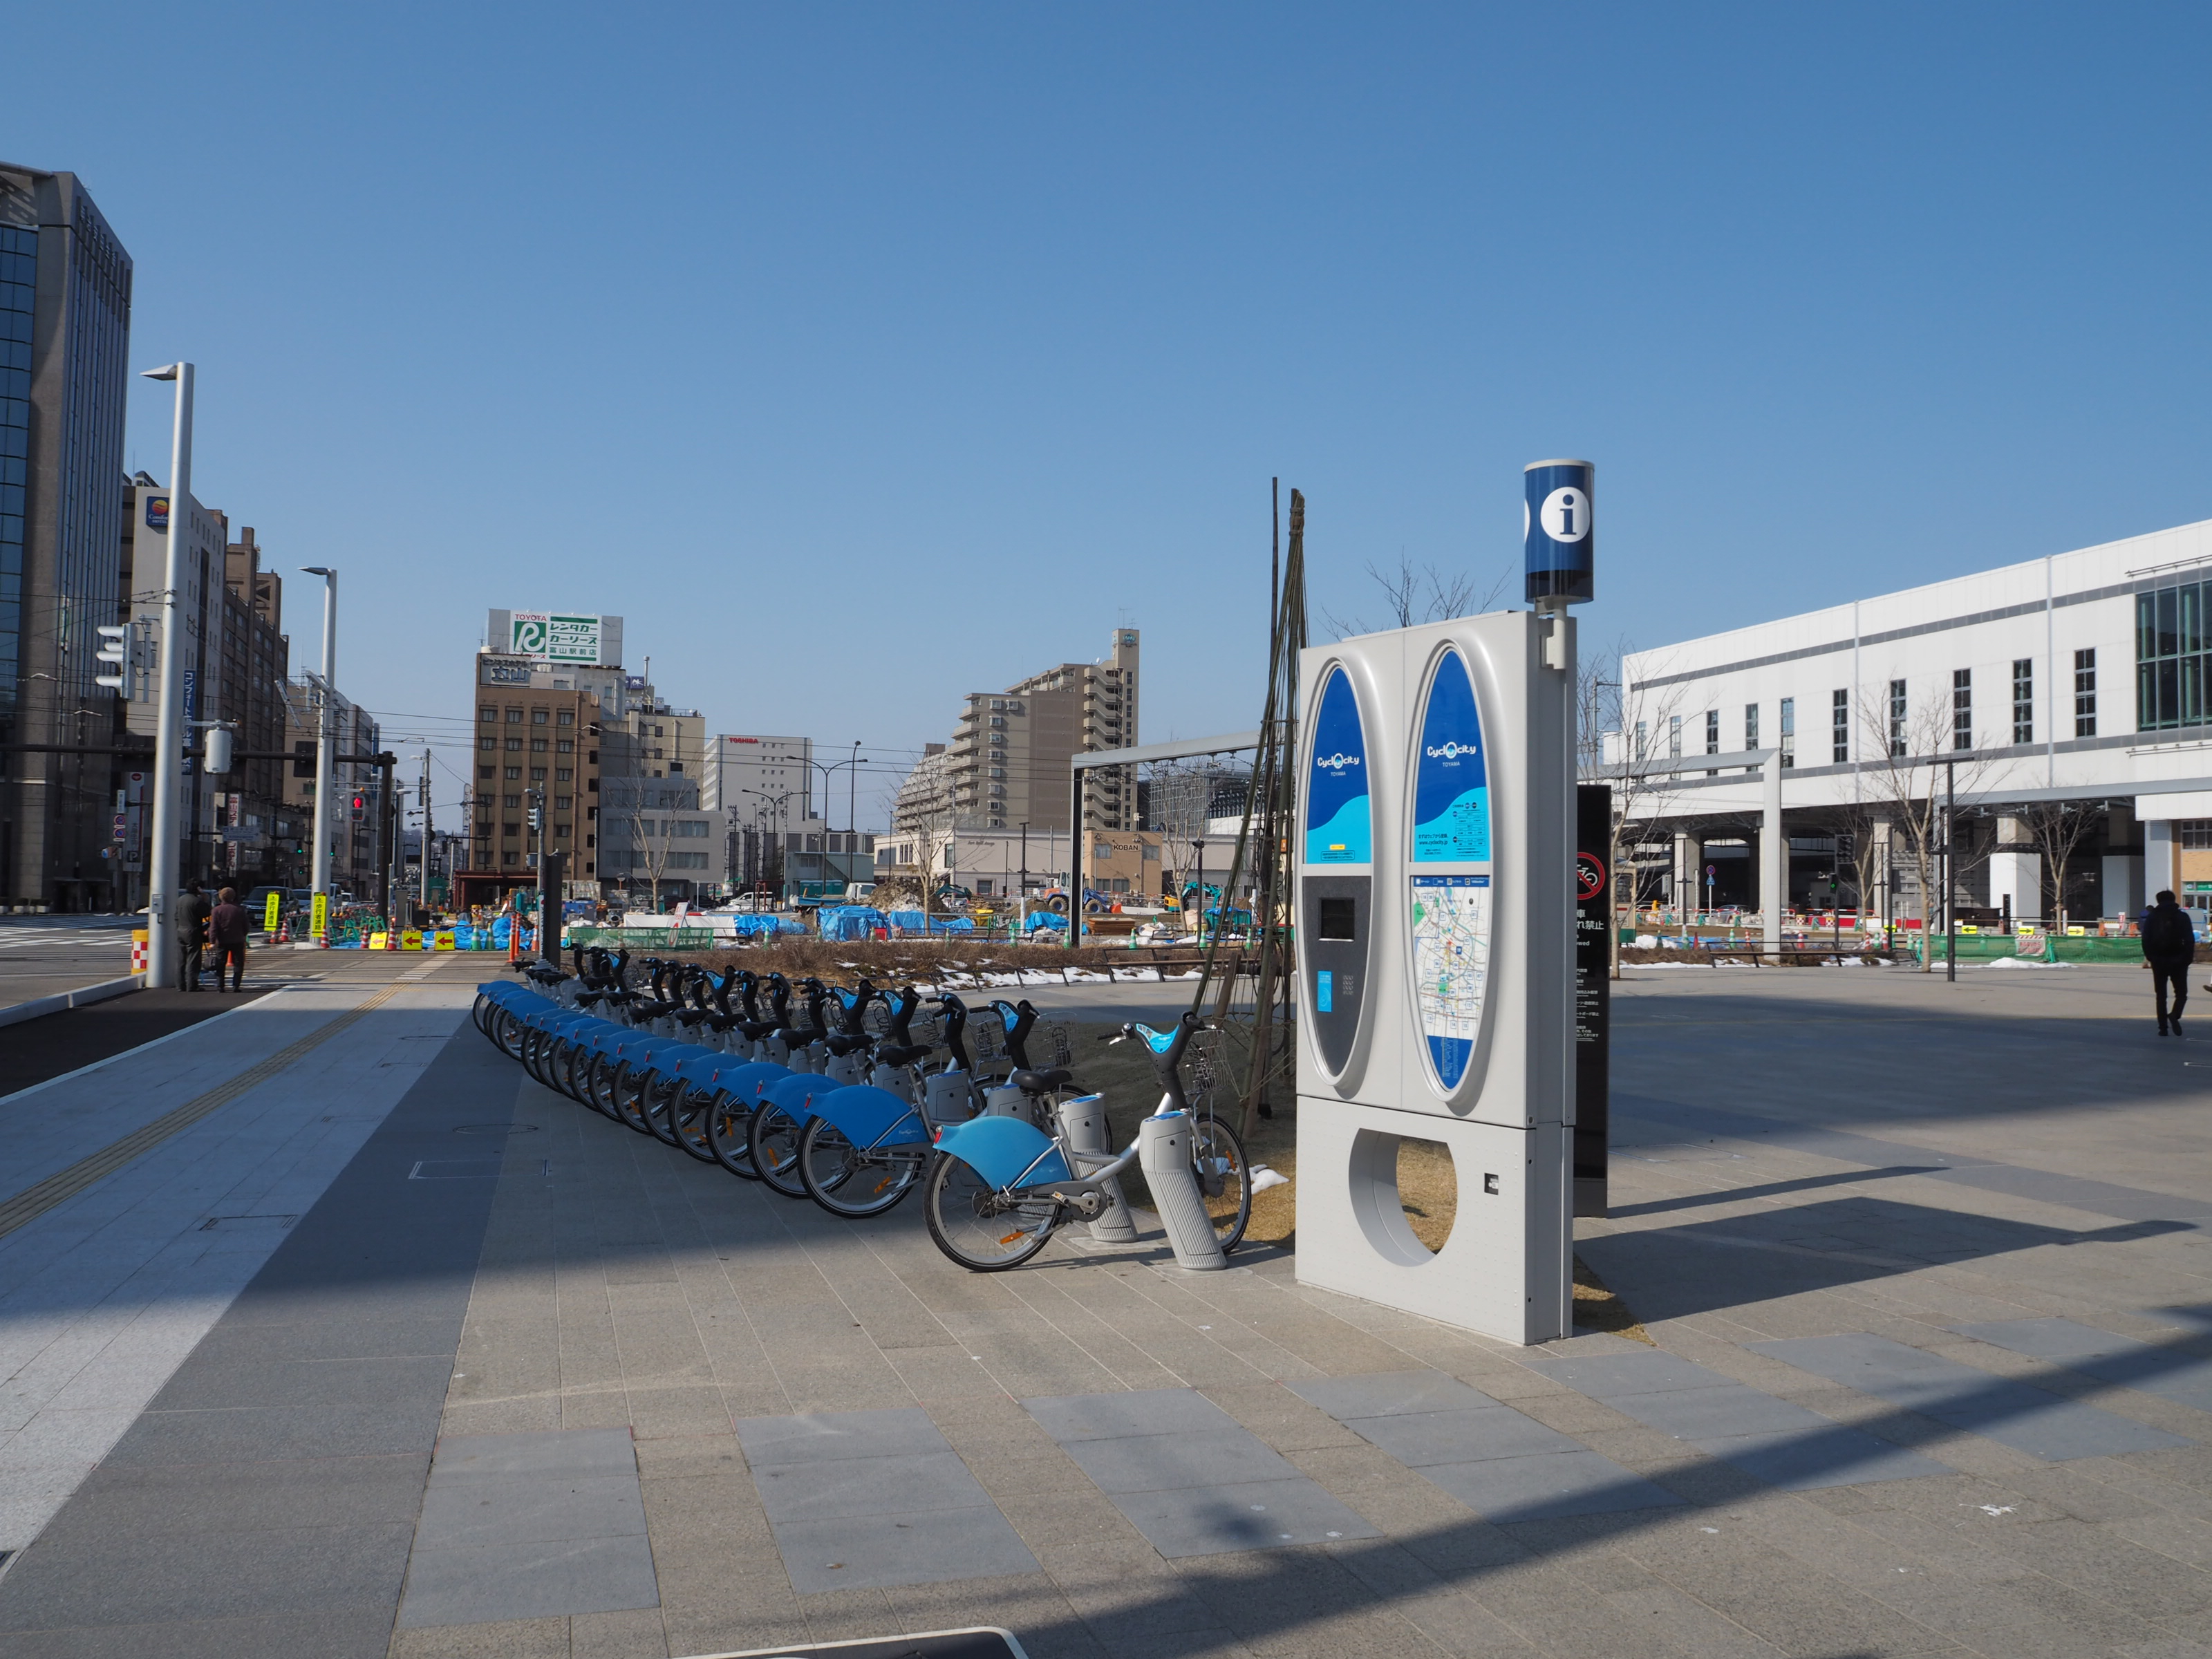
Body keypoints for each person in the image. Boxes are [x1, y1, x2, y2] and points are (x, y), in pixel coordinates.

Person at [2141, 888, 2197, 1036]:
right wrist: (2188, 958)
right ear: (2174, 900)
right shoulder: (2182, 917)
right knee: (2181, 993)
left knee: (2161, 996)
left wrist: (2151, 957)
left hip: (2158, 960)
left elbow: (2146, 939)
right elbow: (2190, 940)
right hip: (2179, 959)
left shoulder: (2152, 917)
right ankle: (2175, 1014)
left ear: (2158, 901)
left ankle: (2163, 1028)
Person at [208, 885, 250, 993]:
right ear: (233, 897)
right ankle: (236, 985)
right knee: (238, 963)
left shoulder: (216, 910)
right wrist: (243, 935)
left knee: (220, 964)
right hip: (237, 940)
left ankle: (220, 986)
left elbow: (214, 927)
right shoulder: (239, 909)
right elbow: (246, 926)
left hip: (222, 941)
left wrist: (212, 941)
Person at [175, 880, 211, 991]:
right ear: (198, 888)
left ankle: (180, 985)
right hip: (193, 931)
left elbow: (176, 916)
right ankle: (192, 985)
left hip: (180, 930)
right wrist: (205, 899)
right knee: (193, 959)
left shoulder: (180, 899)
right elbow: (207, 912)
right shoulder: (197, 901)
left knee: (181, 959)